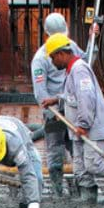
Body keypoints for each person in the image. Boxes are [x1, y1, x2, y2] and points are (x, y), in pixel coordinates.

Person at [41, 33, 104, 204]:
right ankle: (88, 198)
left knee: (93, 165)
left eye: (53, 58)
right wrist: (57, 99)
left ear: (61, 54)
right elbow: (72, 95)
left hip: (92, 129)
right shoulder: (71, 71)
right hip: (79, 129)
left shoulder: (79, 69)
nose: (53, 63)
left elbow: (86, 97)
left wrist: (84, 124)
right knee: (80, 168)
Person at [31, 13, 85, 196]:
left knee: (77, 147)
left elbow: (85, 62)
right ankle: (57, 190)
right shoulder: (40, 59)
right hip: (54, 112)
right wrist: (51, 112)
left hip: (72, 107)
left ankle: (81, 186)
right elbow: (40, 92)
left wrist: (95, 41)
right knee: (55, 152)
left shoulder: (72, 47)